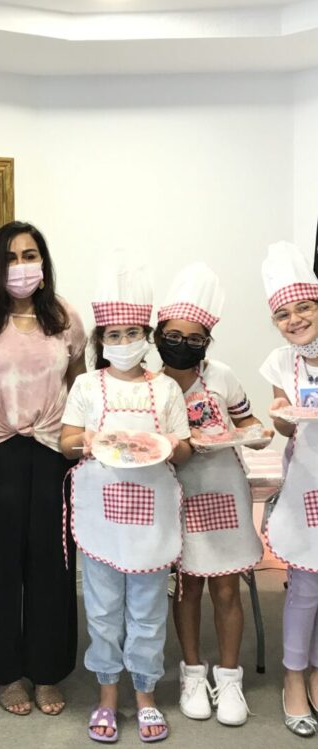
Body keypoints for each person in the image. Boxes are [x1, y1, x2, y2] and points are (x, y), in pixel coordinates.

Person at [60, 253, 192, 743]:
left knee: (148, 611)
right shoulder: (86, 385)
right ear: (101, 340)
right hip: (102, 518)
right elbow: (65, 441)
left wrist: (172, 445)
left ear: (146, 336)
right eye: (113, 335)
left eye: (131, 333)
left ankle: (146, 695)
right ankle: (108, 696)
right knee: (102, 609)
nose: (122, 342)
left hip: (151, 520)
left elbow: (184, 449)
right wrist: (84, 441)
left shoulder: (166, 390)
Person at [0, 220, 86, 716]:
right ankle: (6, 671)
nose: (21, 266)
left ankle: (47, 670)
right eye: (10, 257)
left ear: (43, 263)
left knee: (53, 564)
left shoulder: (65, 317)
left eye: (29, 255)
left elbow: (79, 384)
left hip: (55, 452)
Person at [155, 262, 271, 728]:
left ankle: (229, 677)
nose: (183, 345)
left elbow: (247, 422)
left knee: (226, 587)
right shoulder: (150, 385)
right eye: (173, 336)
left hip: (224, 489)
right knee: (187, 588)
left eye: (194, 338)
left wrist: (256, 434)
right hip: (176, 494)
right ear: (158, 335)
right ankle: (192, 673)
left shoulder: (221, 376)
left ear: (207, 342)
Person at [260, 241, 318, 738]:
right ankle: (293, 676)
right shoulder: (281, 363)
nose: (295, 319)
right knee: (305, 588)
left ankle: (317, 671)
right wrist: (280, 415)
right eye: (283, 313)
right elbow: (285, 425)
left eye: (304, 307)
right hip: (305, 487)